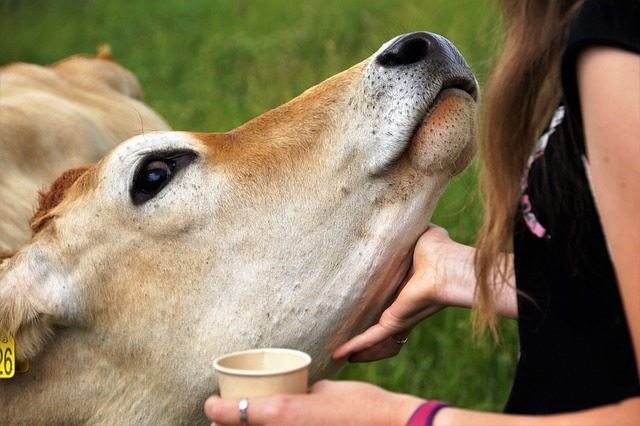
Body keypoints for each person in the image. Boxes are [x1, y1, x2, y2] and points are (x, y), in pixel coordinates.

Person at [204, 0, 640, 424]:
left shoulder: (617, 31)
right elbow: (607, 295)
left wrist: (406, 419)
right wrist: (464, 271)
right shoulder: (592, 30)